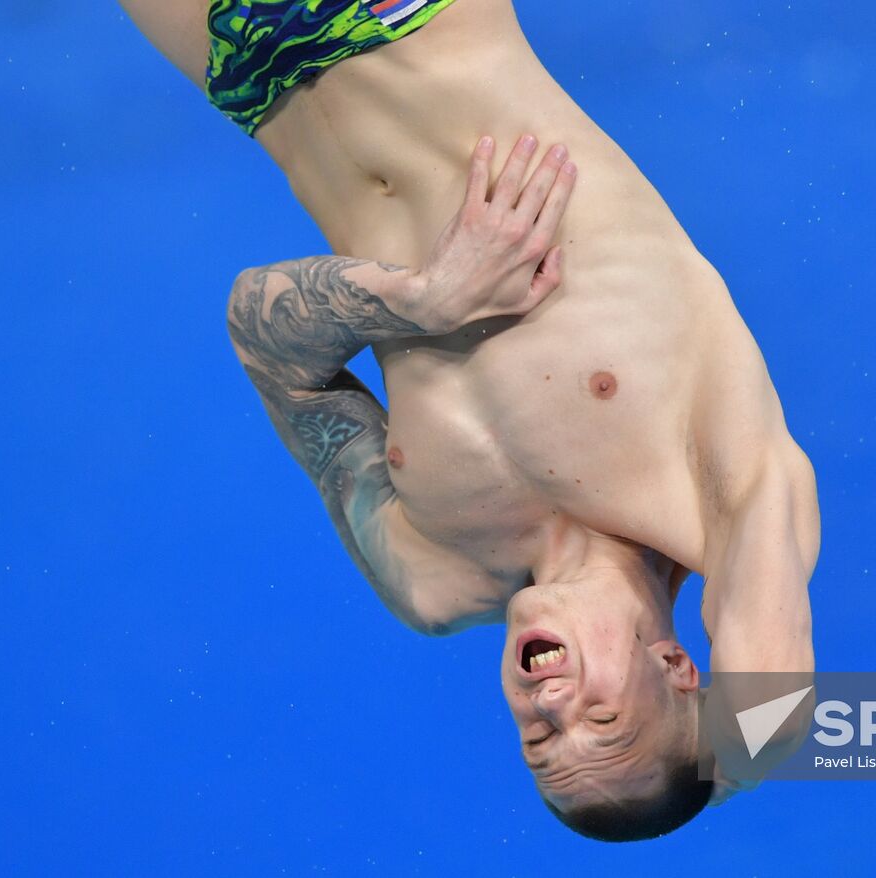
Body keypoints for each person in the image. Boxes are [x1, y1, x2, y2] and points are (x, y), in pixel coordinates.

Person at [120, 0, 819, 841]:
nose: (552, 704)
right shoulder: (711, 490)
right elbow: (769, 714)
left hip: (250, 70)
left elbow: (262, 340)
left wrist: (422, 301)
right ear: (676, 668)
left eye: (538, 738)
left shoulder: (430, 572)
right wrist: (736, 765)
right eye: (603, 723)